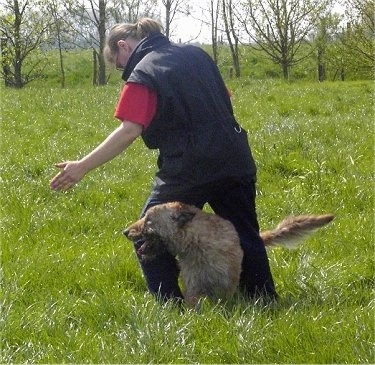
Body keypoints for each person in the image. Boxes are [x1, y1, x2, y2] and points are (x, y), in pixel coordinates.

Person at [50, 18, 278, 303]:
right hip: (235, 156)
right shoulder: (197, 54)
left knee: (144, 232)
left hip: (189, 166)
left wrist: (81, 166)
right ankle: (264, 300)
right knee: (246, 232)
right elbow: (224, 100)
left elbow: (129, 130)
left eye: (120, 63)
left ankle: (170, 306)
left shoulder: (145, 71)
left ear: (124, 46)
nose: (123, 69)